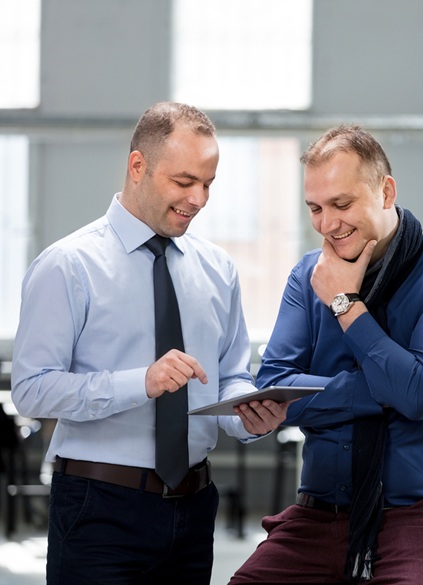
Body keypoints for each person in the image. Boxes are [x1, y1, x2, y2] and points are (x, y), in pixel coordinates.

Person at [11, 101, 290, 585]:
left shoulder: (217, 270)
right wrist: (140, 382)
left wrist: (249, 417)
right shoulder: (68, 266)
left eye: (208, 184)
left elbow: (232, 375)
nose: (199, 199)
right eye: (184, 182)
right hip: (99, 507)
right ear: (137, 166)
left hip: (195, 505)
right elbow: (31, 389)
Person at [229, 125, 423, 584]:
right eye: (315, 208)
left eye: (342, 204)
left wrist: (347, 305)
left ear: (386, 192)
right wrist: (395, 391)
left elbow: (416, 392)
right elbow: (276, 391)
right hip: (319, 517)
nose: (328, 223)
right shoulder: (306, 276)